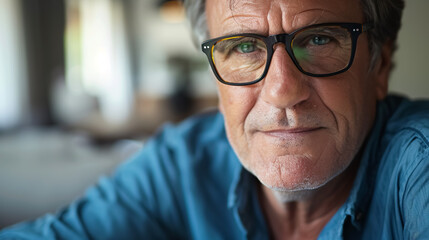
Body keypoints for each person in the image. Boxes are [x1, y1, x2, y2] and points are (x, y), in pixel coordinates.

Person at [1, 0, 428, 239]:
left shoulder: (416, 166)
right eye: (243, 47)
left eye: (319, 39)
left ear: (380, 64)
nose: (282, 90)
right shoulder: (182, 162)